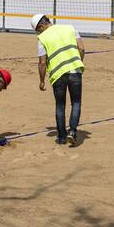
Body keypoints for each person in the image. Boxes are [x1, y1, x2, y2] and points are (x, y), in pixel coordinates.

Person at [32, 14, 85, 146]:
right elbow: (82, 48)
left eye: (38, 30)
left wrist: (42, 81)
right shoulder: (70, 28)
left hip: (57, 75)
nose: (38, 32)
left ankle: (61, 138)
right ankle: (72, 132)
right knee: (76, 102)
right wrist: (78, 63)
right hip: (75, 71)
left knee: (60, 105)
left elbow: (42, 63)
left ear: (41, 26)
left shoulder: (42, 38)